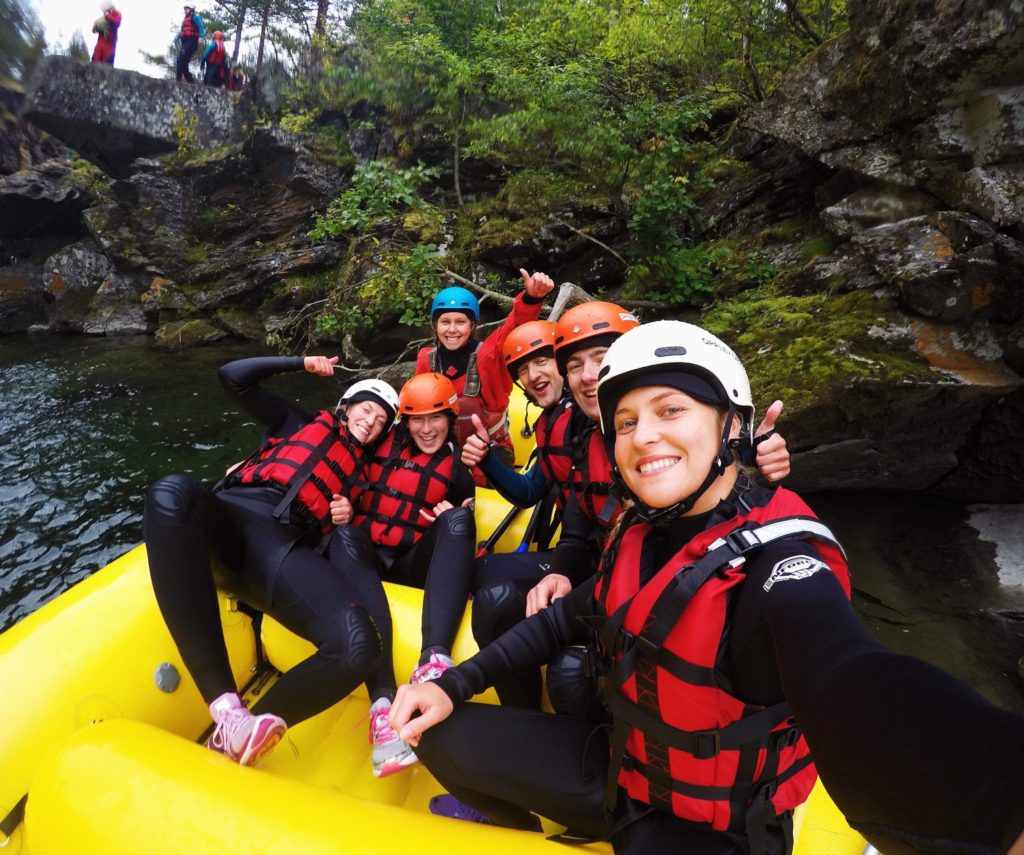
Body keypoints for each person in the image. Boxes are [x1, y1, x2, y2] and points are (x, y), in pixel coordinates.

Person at [389, 320, 1024, 855]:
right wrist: (452, 685)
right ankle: (523, 832)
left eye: (672, 410)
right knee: (437, 729)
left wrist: (1002, 803)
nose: (644, 436)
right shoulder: (644, 527)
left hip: (712, 830)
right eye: (627, 420)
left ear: (730, 427)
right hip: (620, 772)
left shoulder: (781, 562)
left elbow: (850, 672)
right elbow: (568, 617)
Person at [464, 302, 789, 709]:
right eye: (575, 364)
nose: (587, 376)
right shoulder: (577, 430)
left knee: (569, 670)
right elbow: (575, 517)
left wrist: (750, 458)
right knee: (494, 597)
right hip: (600, 568)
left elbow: (711, 473)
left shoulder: (655, 440)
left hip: (650, 577)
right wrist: (562, 570)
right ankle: (525, 718)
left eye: (600, 359)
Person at [142, 355, 398, 767]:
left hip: (281, 552)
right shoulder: (295, 422)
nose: (371, 421)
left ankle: (248, 730)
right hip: (233, 517)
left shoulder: (364, 479)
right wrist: (300, 362)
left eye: (382, 420)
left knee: (357, 646)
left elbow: (371, 542)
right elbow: (231, 377)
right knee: (171, 492)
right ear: (347, 406)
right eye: (367, 409)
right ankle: (225, 709)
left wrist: (346, 519)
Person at [327, 372, 476, 778]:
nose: (426, 429)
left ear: (450, 417)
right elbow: (332, 451)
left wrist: (451, 522)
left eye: (436, 418)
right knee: (342, 535)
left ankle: (433, 662)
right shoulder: (379, 441)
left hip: (411, 562)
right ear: (403, 422)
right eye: (416, 420)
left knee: (459, 520)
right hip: (364, 557)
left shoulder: (458, 468)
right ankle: (381, 702)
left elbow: (460, 532)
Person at [416, 270, 554, 483]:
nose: (452, 330)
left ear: (472, 325)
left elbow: (512, 327)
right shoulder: (426, 359)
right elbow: (417, 410)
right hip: (445, 446)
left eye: (460, 322)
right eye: (445, 322)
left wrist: (531, 298)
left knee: (491, 482)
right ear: (436, 326)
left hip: (492, 446)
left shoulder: (488, 355)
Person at [174, 5, 205, 83]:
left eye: (186, 9)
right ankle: (190, 81)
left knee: (181, 57)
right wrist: (176, 38)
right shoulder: (185, 20)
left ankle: (178, 80)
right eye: (184, 9)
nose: (185, 10)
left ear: (191, 10)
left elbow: (201, 27)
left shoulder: (195, 17)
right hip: (185, 42)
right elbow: (183, 31)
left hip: (192, 41)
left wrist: (201, 37)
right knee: (182, 62)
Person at [90, 0, 121, 65]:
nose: (102, 10)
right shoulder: (101, 19)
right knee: (95, 60)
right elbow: (93, 30)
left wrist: (107, 16)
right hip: (101, 42)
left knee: (107, 63)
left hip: (110, 43)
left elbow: (116, 23)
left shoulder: (117, 13)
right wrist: (95, 26)